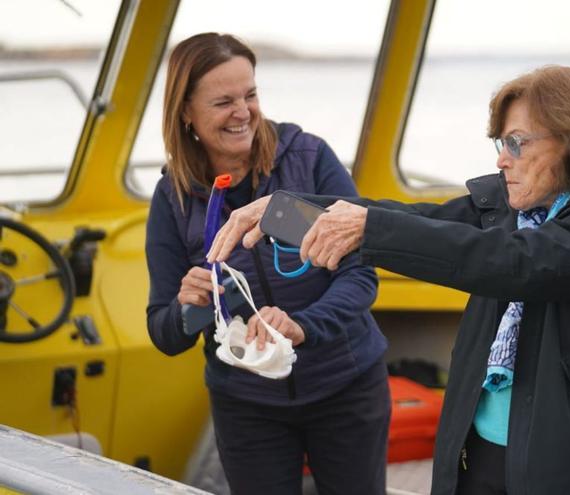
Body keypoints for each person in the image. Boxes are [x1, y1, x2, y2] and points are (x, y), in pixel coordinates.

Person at [208, 65, 570, 494]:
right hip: (479, 454)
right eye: (500, 145)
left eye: (517, 143)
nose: (502, 161)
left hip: (569, 467)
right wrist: (286, 213)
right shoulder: (511, 205)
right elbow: (426, 222)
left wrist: (367, 230)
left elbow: (518, 262)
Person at [145, 33, 389, 495]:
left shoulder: (308, 160)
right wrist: (191, 307)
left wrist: (303, 325)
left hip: (345, 387)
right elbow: (165, 331)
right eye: (223, 102)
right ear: (186, 113)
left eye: (250, 94)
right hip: (248, 405)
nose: (244, 112)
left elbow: (360, 272)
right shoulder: (172, 198)